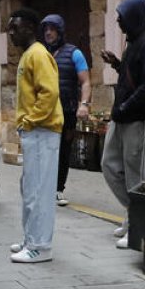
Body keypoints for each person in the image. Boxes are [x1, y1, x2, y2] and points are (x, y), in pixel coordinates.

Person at [100, 0, 145, 250]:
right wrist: (117, 63)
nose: (118, 22)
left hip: (137, 118)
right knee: (109, 165)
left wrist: (127, 105)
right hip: (122, 116)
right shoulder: (134, 41)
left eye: (121, 17)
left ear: (134, 16)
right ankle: (133, 213)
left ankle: (139, 226)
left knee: (138, 175)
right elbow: (133, 77)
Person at [6, 8, 63, 263]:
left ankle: (40, 246)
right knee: (29, 188)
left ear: (30, 28)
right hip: (35, 131)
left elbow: (48, 94)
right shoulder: (30, 55)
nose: (10, 33)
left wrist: (30, 121)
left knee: (39, 190)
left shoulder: (38, 55)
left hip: (42, 130)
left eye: (14, 28)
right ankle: (31, 239)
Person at [40, 15, 91, 206]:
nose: (48, 32)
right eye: (46, 29)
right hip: (44, 112)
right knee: (45, 150)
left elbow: (85, 81)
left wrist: (83, 104)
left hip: (67, 111)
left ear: (60, 31)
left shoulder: (74, 53)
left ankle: (58, 188)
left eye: (52, 29)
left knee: (63, 150)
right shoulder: (40, 53)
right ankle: (44, 187)